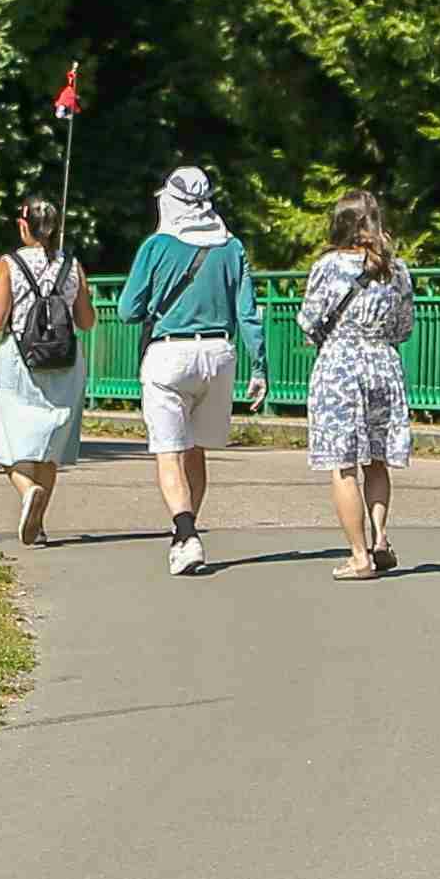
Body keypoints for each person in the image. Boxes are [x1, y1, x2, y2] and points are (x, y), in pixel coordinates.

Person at [120, 166, 257, 578]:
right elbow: (247, 312)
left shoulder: (157, 245)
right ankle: (185, 536)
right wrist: (261, 366)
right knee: (196, 451)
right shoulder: (231, 247)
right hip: (218, 355)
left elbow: (128, 310)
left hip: (169, 355)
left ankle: (185, 533)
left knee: (169, 451)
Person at [299, 194, 417, 581]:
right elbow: (404, 326)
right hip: (382, 364)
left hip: (340, 367)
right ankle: (380, 539)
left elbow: (308, 321)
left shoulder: (328, 266)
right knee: (377, 460)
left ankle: (358, 556)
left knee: (344, 463)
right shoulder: (396, 269)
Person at [0, 198, 89, 541]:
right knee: (50, 446)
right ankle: (37, 527)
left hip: (20, 359)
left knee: (6, 434)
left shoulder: (10, 263)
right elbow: (86, 320)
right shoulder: (72, 264)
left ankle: (27, 491)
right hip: (65, 361)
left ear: (24, 226)